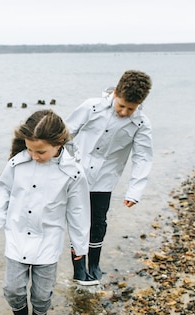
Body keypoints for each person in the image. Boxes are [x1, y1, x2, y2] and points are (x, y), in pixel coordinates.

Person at [0, 110, 90, 315]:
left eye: (40, 151)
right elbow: (3, 190)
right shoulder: (17, 163)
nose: (33, 155)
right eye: (30, 149)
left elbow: (78, 211)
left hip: (48, 241)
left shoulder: (72, 172)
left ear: (59, 143)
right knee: (13, 289)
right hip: (17, 235)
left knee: (42, 293)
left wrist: (79, 244)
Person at [65, 70, 153, 286]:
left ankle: (94, 264)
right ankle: (79, 269)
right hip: (77, 174)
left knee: (98, 223)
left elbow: (143, 158)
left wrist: (134, 191)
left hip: (105, 179)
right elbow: (65, 134)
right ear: (115, 93)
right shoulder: (91, 107)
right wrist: (63, 162)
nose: (124, 112)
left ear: (140, 104)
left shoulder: (141, 124)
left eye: (130, 109)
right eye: (121, 105)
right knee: (78, 222)